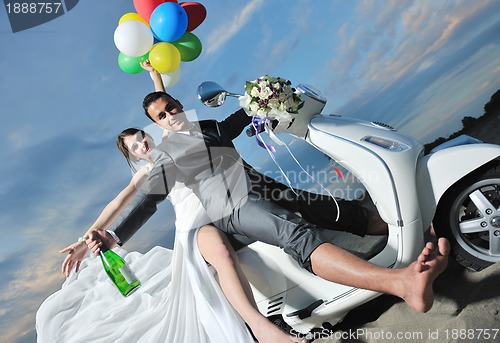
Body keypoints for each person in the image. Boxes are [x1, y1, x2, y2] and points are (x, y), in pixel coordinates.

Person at [101, 67, 449, 314]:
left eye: (171, 107)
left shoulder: (207, 126)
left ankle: (421, 238)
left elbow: (235, 122)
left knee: (341, 210)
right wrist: (114, 237)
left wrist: (265, 96)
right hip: (234, 208)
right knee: (297, 234)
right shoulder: (165, 152)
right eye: (161, 116)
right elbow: (148, 200)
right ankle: (401, 284)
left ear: (178, 103)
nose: (169, 115)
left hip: (267, 188)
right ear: (158, 124)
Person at [40, 129, 307, 343]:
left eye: (141, 137)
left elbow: (162, 100)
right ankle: (261, 329)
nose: (141, 144)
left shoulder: (173, 144)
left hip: (224, 212)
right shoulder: (146, 173)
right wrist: (85, 239)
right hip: (195, 227)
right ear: (133, 157)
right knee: (223, 255)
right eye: (134, 147)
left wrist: (154, 71)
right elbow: (117, 204)